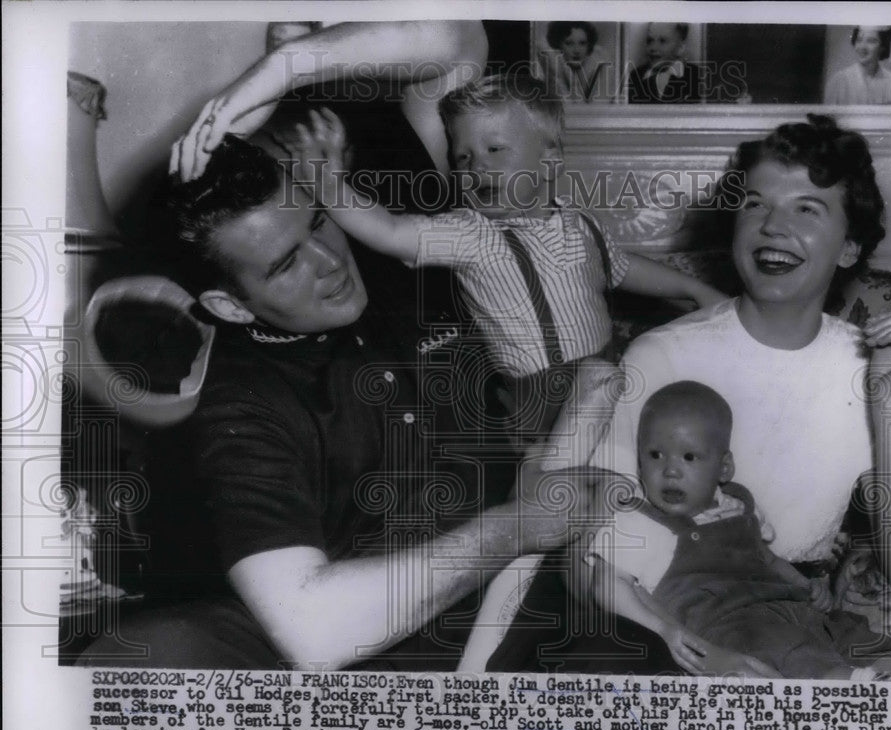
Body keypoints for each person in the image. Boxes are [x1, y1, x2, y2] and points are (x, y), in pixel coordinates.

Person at [76, 21, 616, 670]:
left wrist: (284, 68)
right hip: (392, 625)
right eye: (286, 265)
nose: (330, 262)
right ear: (229, 305)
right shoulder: (241, 401)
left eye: (318, 222)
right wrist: (517, 526)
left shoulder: (401, 240)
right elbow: (316, 634)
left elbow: (460, 42)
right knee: (145, 654)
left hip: (548, 587)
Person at [489, 114, 891, 674]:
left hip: (794, 612)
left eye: (806, 209)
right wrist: (693, 649)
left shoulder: (870, 368)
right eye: (755, 204)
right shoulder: (662, 356)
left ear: (849, 247)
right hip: (671, 615)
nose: (772, 226)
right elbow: (584, 561)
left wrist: (889, 407)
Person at [284, 73, 725, 439]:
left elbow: (624, 268)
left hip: (608, 376)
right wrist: (329, 185)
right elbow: (388, 231)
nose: (477, 167)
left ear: (549, 161)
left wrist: (693, 288)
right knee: (563, 488)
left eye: (495, 150)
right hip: (540, 404)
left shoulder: (581, 224)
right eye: (463, 157)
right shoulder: (469, 233)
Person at [582, 381, 891, 680]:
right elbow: (607, 584)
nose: (670, 471)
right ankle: (847, 685)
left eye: (689, 457)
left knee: (845, 630)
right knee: (787, 649)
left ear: (724, 467)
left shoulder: (739, 503)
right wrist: (667, 631)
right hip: (732, 628)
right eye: (655, 455)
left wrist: (805, 586)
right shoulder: (638, 520)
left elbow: (767, 558)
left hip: (788, 606)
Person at [824, 26, 891, 105]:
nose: (862, 47)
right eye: (859, 40)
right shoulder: (839, 81)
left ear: (883, 46)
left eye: (871, 41)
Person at [536, 21, 615, 103]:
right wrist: (560, 73)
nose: (577, 51)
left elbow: (594, 109)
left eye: (582, 43)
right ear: (558, 45)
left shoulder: (602, 68)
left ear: (589, 46)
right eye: (569, 43)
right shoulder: (553, 67)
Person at [628, 23, 703, 104]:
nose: (653, 48)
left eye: (662, 41)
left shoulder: (697, 76)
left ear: (680, 47)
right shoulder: (635, 76)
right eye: (650, 40)